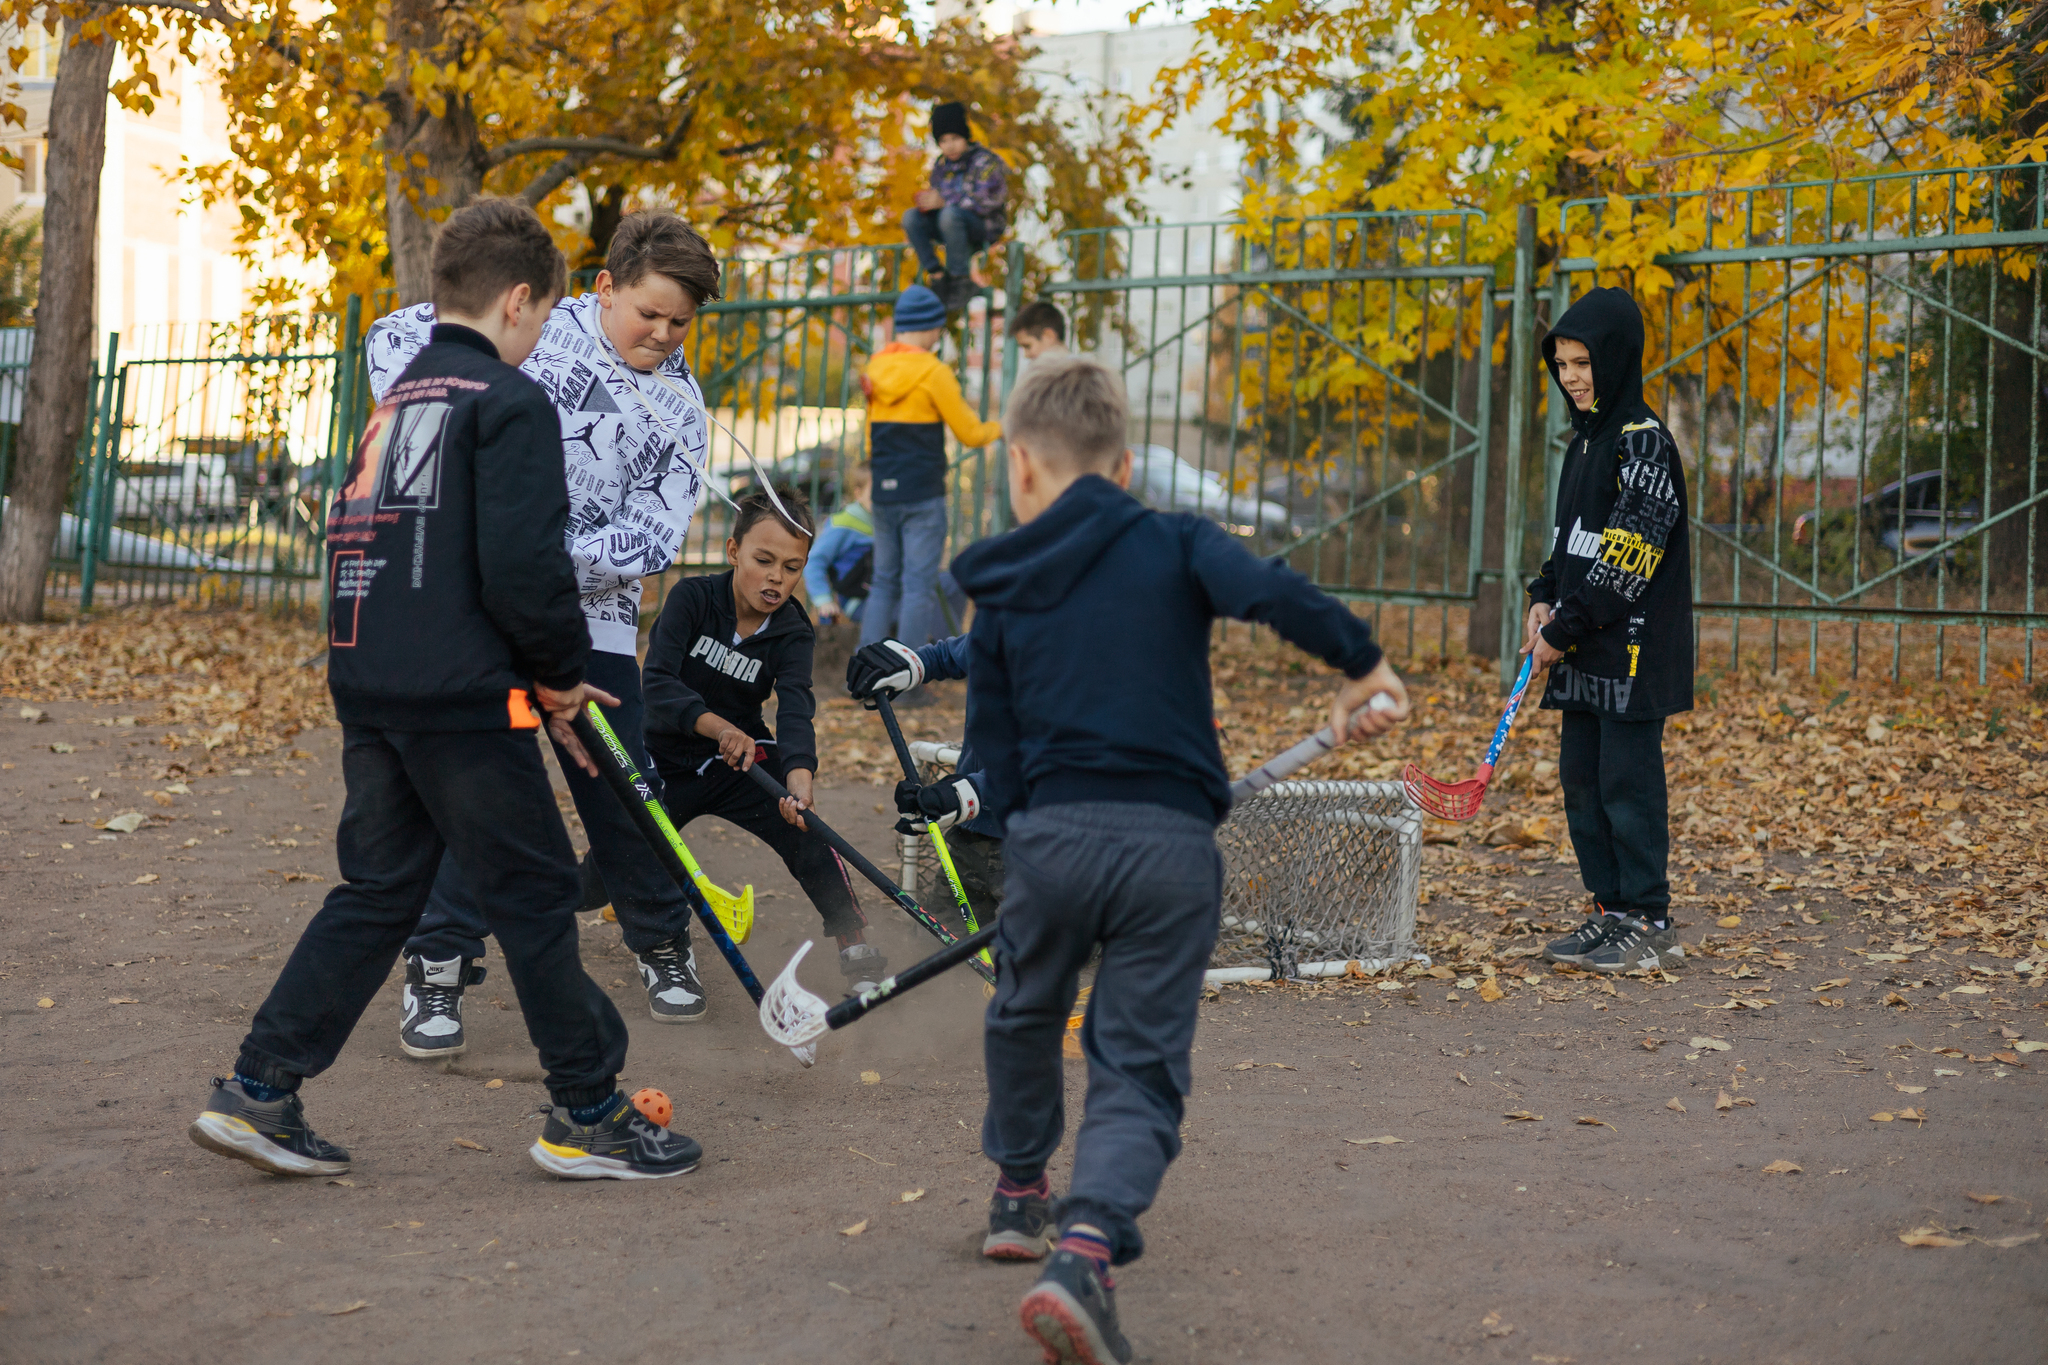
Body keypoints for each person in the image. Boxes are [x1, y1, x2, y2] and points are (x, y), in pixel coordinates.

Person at [187, 199, 701, 1182]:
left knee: (380, 887)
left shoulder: (404, 397)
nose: (544, 337)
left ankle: (258, 1088)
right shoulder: (508, 404)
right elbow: (521, 566)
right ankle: (588, 1112)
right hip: (462, 690)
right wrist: (556, 676)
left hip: (371, 671)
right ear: (517, 303)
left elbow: (361, 529)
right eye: (542, 316)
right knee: (539, 889)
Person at [950, 357, 1410, 1363]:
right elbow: (1274, 592)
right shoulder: (1175, 541)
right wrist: (1364, 667)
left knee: (1024, 1009)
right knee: (1137, 1058)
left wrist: (1022, 861)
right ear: (1121, 467)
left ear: (1019, 466)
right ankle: (1082, 1249)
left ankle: (1018, 1192)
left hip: (1052, 842)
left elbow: (992, 753)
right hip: (1167, 850)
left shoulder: (1002, 585)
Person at [365, 211, 722, 1044]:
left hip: (588, 622)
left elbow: (657, 537)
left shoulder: (681, 409)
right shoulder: (528, 323)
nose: (664, 334)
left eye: (680, 322)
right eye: (649, 313)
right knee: (476, 785)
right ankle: (440, 962)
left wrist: (542, 551)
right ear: (605, 287)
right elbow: (394, 337)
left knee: (623, 786)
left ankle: (662, 937)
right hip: (477, 616)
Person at [641, 488, 886, 993]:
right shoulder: (692, 597)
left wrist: (800, 782)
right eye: (764, 560)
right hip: (664, 757)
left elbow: (796, 709)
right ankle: (651, 938)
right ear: (734, 552)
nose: (777, 577)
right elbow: (659, 683)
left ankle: (856, 950)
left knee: (805, 829)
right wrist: (718, 727)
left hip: (741, 760)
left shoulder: (794, 630)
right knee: (614, 862)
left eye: (793, 567)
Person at [1525, 286, 1693, 976]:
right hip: (1583, 646)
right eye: (1562, 363)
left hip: (1631, 653)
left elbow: (1630, 555)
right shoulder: (1582, 445)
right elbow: (1572, 543)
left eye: (1583, 361)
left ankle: (1650, 919)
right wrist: (1542, 597)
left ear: (1615, 359)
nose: (1571, 376)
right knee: (1582, 783)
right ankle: (1610, 911)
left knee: (1627, 785)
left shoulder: (1643, 445)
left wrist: (1563, 627)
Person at [859, 285, 1001, 657]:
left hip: (884, 492)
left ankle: (865, 673)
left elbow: (871, 437)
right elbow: (970, 434)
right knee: (917, 587)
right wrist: (1003, 428)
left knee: (883, 583)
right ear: (927, 327)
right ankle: (905, 684)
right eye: (939, 327)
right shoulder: (934, 372)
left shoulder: (874, 369)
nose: (941, 334)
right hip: (922, 494)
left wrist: (878, 479)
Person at [844, 633, 1004, 923]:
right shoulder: (1008, 618)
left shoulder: (1082, 655)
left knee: (1036, 961)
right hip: (974, 836)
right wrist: (915, 663)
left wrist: (970, 794)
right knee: (939, 948)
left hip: (1045, 848)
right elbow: (957, 652)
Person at [903, 100, 1008, 311]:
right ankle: (938, 276)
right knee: (911, 218)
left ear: (965, 136)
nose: (949, 145)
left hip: (983, 226)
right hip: (949, 225)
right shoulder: (941, 166)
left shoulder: (985, 161)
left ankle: (961, 280)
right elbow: (939, 199)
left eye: (954, 138)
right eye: (943, 141)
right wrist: (929, 205)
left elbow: (989, 201)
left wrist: (945, 202)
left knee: (949, 214)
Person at [804, 461, 874, 625]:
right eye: (874, 493)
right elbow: (814, 560)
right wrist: (823, 599)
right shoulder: (844, 524)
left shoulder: (888, 524)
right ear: (858, 494)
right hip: (856, 601)